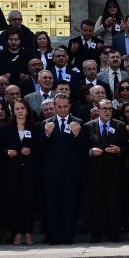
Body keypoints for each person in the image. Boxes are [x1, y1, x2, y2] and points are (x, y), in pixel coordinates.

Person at [38, 93, 84, 245]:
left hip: (72, 172)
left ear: (70, 106)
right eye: (59, 107)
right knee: (52, 206)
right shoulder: (46, 123)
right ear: (54, 107)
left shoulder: (78, 123)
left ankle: (68, 236)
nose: (62, 110)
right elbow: (40, 150)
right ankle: (54, 237)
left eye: (65, 106)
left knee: (70, 206)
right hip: (52, 173)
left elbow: (84, 150)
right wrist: (46, 134)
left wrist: (78, 136)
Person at [84, 100, 128, 242]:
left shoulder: (120, 126)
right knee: (96, 204)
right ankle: (96, 234)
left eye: (110, 108)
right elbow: (81, 148)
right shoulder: (88, 126)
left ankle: (113, 233)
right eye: (104, 108)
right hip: (95, 173)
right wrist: (90, 151)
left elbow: (128, 148)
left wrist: (119, 150)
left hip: (114, 173)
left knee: (113, 204)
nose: (108, 111)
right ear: (98, 109)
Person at [1, 98, 37, 245]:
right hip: (13, 170)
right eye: (17, 109)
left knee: (29, 201)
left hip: (29, 170)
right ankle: (18, 232)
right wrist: (8, 151)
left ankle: (29, 233)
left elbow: (39, 147)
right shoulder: (7, 127)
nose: (20, 111)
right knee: (15, 202)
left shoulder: (34, 127)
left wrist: (30, 151)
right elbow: (2, 146)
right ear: (13, 111)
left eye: (22, 108)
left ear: (27, 110)